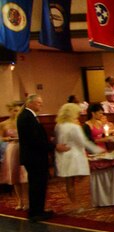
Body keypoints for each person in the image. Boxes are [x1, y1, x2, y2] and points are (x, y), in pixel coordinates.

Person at [18, 94, 69, 222]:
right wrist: (54, 146)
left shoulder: (29, 116)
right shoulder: (26, 117)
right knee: (37, 185)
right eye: (38, 103)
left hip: (35, 156)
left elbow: (37, 137)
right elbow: (34, 140)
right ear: (30, 103)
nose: (41, 105)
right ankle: (36, 213)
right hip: (34, 157)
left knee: (39, 184)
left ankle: (38, 210)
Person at [54, 102, 104, 212]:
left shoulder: (59, 125)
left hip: (64, 155)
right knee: (85, 178)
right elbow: (83, 142)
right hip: (75, 155)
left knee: (69, 181)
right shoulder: (73, 126)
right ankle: (79, 203)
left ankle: (74, 203)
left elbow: (58, 141)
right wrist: (98, 150)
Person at [0, 101, 28, 209]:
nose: (16, 113)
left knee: (24, 176)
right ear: (10, 111)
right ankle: (20, 201)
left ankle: (26, 201)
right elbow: (1, 137)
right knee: (15, 176)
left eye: (18, 111)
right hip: (11, 149)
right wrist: (6, 138)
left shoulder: (22, 122)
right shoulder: (3, 124)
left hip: (22, 148)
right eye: (15, 110)